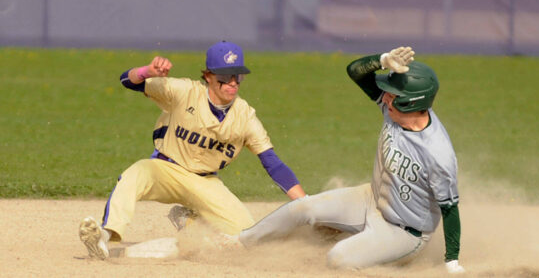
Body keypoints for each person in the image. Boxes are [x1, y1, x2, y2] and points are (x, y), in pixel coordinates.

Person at [238, 47, 465, 274]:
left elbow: (449, 209)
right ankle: (241, 242)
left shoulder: (438, 153)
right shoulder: (392, 109)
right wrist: (382, 60)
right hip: (370, 199)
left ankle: (359, 243)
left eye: (392, 94)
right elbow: (355, 71)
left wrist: (451, 261)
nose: (385, 97)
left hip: (404, 233)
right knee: (303, 208)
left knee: (338, 258)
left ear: (411, 103)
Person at [79, 40, 306, 260]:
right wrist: (147, 70)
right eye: (225, 77)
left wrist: (305, 205)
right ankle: (104, 235)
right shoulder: (184, 91)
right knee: (136, 173)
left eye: (238, 76)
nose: (233, 83)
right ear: (208, 76)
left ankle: (192, 221)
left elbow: (272, 163)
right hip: (165, 169)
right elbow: (127, 81)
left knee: (246, 237)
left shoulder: (245, 116)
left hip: (205, 183)